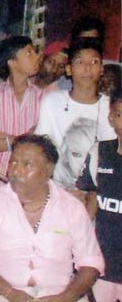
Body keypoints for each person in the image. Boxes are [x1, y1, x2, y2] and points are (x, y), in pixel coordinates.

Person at [0, 134, 105, 302]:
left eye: (26, 164)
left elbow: (91, 263)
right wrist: (11, 294)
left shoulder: (71, 208)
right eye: (13, 162)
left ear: (48, 171)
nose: (15, 170)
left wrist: (64, 299)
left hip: (61, 297)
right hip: (3, 295)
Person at [35, 38, 115, 189]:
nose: (87, 68)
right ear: (69, 69)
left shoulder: (111, 108)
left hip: (100, 193)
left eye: (94, 62)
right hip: (57, 192)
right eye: (80, 62)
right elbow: (41, 149)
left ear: (102, 69)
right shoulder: (52, 102)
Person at [76, 91, 122, 302]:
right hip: (102, 262)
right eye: (119, 114)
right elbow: (88, 199)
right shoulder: (99, 153)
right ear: (111, 118)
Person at [0, 37, 44, 189]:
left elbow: (41, 141)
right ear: (12, 62)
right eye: (29, 53)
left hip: (26, 183)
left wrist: (2, 138)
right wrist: (24, 138)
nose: (36, 56)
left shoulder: (42, 98)